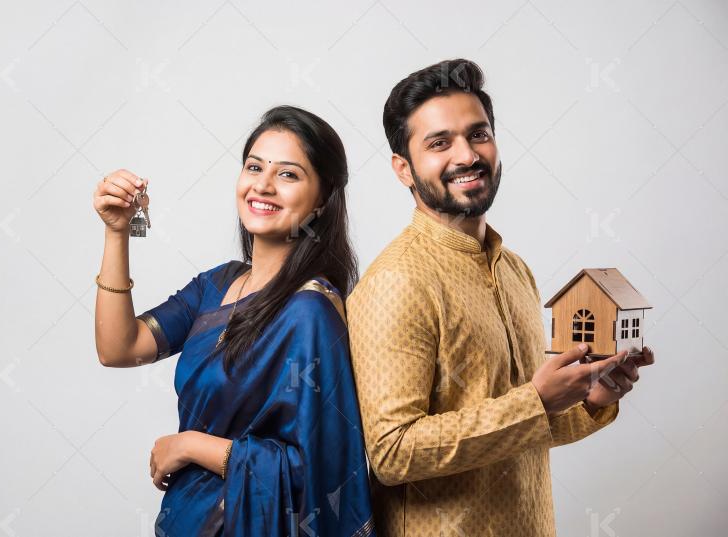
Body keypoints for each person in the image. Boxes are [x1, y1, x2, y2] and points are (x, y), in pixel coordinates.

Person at [346, 59, 655, 536]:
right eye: (439, 142)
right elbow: (392, 451)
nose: (467, 155)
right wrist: (535, 401)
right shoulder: (397, 281)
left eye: (479, 134)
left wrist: (592, 397)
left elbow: (524, 431)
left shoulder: (515, 270)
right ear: (403, 169)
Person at [93, 105, 375, 536]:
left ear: (321, 200)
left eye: (288, 174)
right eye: (254, 167)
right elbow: (120, 348)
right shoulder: (215, 285)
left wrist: (191, 445)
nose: (262, 185)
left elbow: (319, 473)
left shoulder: (311, 312)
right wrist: (118, 232)